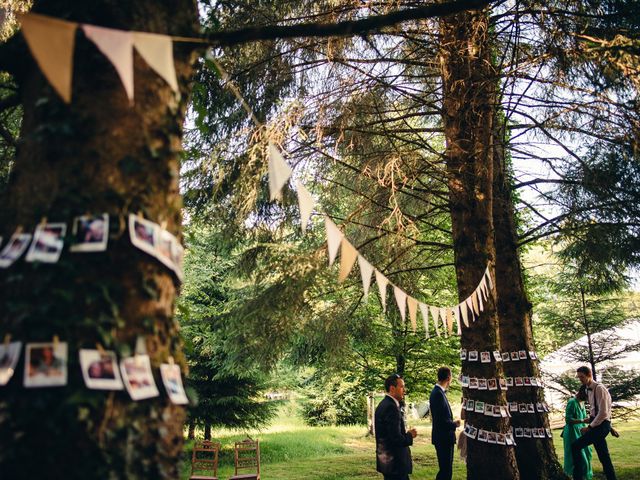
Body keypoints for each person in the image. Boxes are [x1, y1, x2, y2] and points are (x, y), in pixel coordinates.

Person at [571, 366, 617, 480]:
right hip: (598, 424)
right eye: (579, 377)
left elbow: (603, 413)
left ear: (589, 375)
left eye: (582, 377)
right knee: (603, 455)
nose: (580, 379)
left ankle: (578, 477)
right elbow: (594, 412)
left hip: (600, 426)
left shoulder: (599, 388)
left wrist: (589, 427)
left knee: (575, 446)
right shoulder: (587, 389)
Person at [375, 373, 417, 480]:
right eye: (402, 387)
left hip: (388, 462)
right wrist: (410, 435)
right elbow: (396, 439)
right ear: (392, 388)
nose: (404, 390)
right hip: (395, 463)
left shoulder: (383, 404)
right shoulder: (391, 407)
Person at [429, 366, 460, 480]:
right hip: (443, 438)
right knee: (445, 471)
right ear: (448, 378)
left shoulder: (438, 392)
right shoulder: (438, 394)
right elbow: (441, 420)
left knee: (446, 469)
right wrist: (454, 424)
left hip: (443, 437)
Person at [563, 386, 593, 479]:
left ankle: (585, 475)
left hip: (581, 431)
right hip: (572, 432)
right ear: (581, 393)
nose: (588, 398)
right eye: (586, 395)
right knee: (577, 455)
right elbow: (568, 420)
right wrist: (583, 420)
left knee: (587, 453)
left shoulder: (582, 402)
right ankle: (574, 475)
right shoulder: (572, 402)